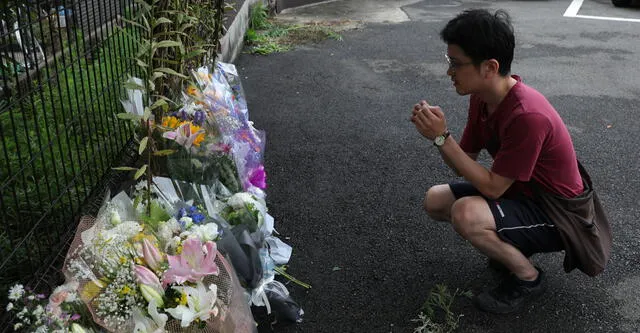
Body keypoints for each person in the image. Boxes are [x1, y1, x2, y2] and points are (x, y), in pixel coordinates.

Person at [410, 8, 585, 314]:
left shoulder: (527, 116)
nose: (449, 72)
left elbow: (492, 189)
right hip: (520, 194)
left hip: (560, 213)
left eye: (456, 64)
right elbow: (465, 159)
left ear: (490, 67)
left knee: (466, 213)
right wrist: (441, 136)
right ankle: (512, 244)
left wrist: (441, 138)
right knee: (436, 200)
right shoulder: (483, 99)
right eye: (448, 61)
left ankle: (528, 278)